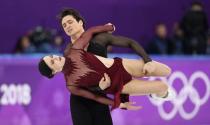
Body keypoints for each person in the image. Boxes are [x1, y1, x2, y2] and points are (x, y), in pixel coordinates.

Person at [53, 8, 158, 125]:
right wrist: (99, 88)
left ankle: (157, 91)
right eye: (64, 25)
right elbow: (75, 84)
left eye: (70, 22)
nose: (67, 26)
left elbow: (129, 42)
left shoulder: (100, 38)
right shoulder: (68, 52)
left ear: (80, 22)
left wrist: (148, 60)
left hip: (100, 97)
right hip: (80, 101)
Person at [39, 24, 172, 111]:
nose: (55, 58)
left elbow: (90, 32)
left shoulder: (73, 51)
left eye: (52, 56)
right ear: (54, 71)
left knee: (167, 71)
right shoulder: (71, 84)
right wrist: (117, 104)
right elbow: (94, 97)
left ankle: (152, 89)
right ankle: (154, 94)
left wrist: (108, 27)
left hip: (121, 65)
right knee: (163, 88)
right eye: (52, 62)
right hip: (120, 85)